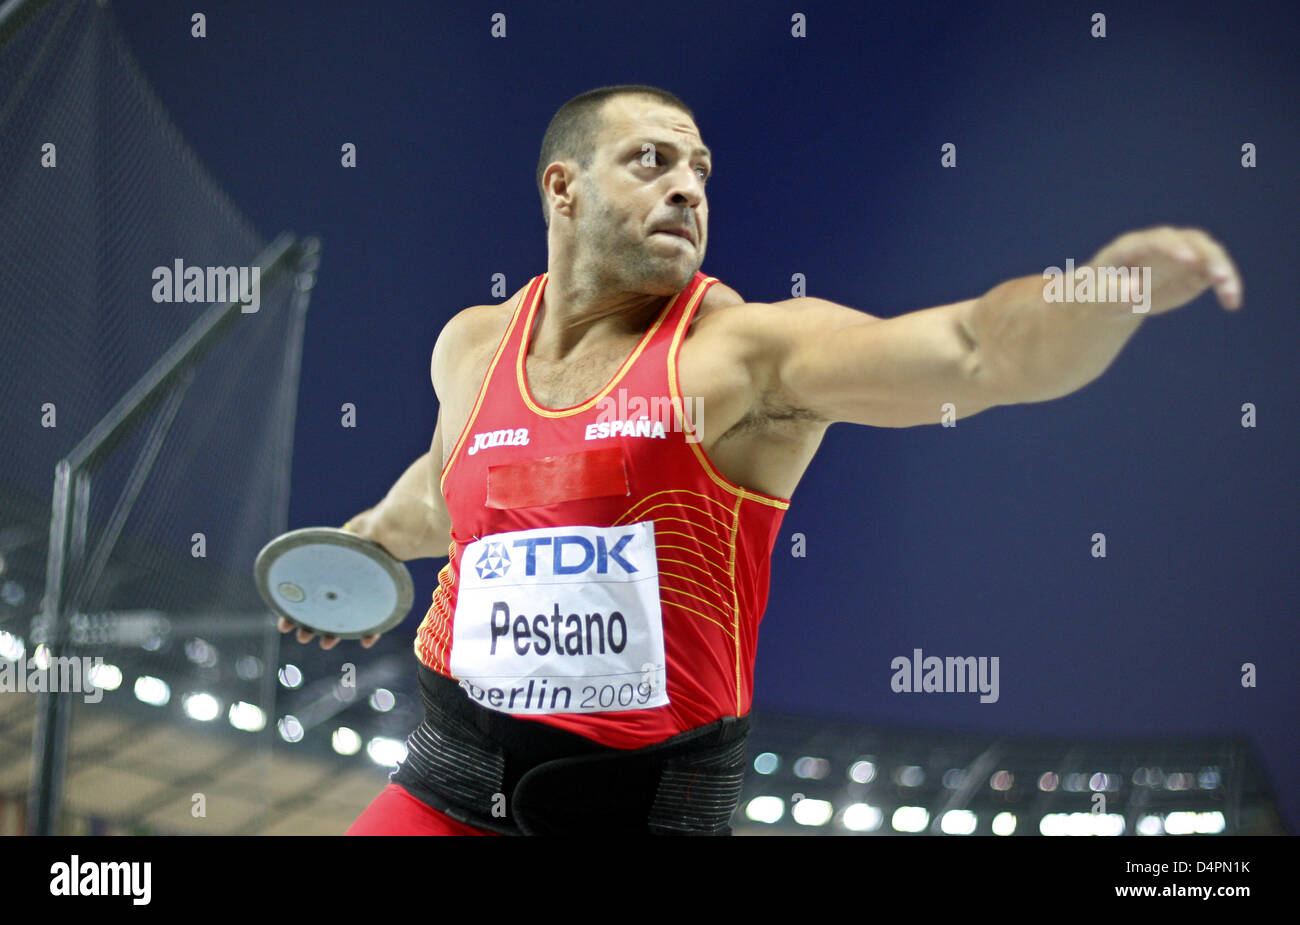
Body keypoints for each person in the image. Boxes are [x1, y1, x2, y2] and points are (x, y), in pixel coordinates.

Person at [279, 84, 1242, 835]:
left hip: (640, 809)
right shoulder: (474, 346)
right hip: (445, 782)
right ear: (561, 188)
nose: (688, 187)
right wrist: (363, 543)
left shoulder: (741, 358)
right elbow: (457, 487)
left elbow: (975, 349)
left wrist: (1106, 288)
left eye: (699, 169)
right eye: (651, 161)